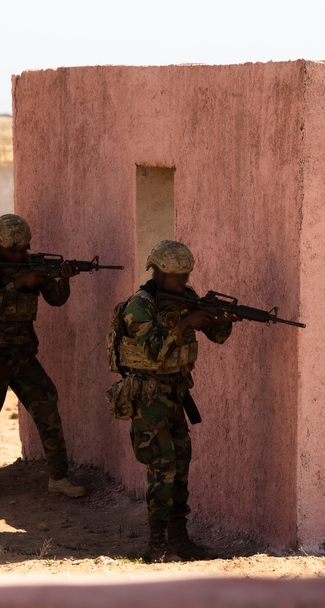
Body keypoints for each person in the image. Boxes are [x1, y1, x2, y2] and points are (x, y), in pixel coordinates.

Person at [107, 240, 238, 562]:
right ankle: (156, 545)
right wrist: (184, 326)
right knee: (161, 466)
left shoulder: (185, 298)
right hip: (148, 396)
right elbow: (151, 352)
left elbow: (219, 336)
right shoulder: (141, 305)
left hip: (175, 395)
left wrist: (221, 318)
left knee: (180, 468)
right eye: (174, 276)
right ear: (157, 272)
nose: (181, 282)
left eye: (185, 276)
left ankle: (180, 540)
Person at [0, 214, 86, 501]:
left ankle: (58, 477)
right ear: (2, 245)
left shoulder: (29, 264)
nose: (20, 254)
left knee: (48, 409)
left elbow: (55, 299)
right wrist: (19, 283)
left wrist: (64, 279)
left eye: (24, 248)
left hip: (23, 355)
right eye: (14, 250)